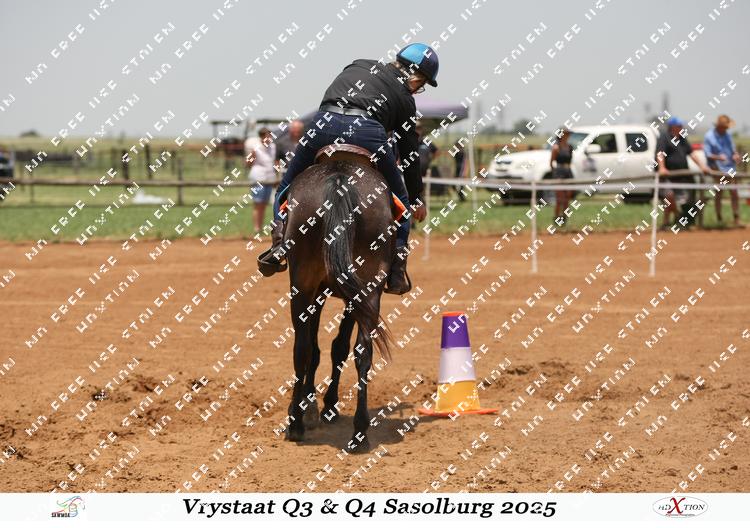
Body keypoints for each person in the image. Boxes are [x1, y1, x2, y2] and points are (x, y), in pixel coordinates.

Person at [257, 43, 438, 295]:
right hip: (367, 132)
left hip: (323, 125)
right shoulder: (406, 99)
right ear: (417, 78)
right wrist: (416, 198)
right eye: (422, 86)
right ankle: (397, 270)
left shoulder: (358, 64)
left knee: (285, 189)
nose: (418, 90)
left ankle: (279, 244)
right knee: (402, 204)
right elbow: (410, 152)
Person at [655, 117, 710, 230]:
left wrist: (702, 166)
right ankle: (677, 214)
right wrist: (662, 168)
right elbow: (660, 154)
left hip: (682, 176)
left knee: (685, 199)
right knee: (669, 196)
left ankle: (667, 222)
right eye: (679, 126)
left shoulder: (682, 139)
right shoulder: (664, 137)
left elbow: (692, 153)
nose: (681, 128)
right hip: (667, 176)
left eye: (681, 126)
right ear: (672, 127)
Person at [704, 114, 743, 227]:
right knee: (719, 193)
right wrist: (718, 157)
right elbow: (707, 154)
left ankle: (736, 218)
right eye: (725, 127)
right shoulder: (709, 136)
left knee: (734, 193)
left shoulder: (728, 135)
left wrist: (735, 155)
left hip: (730, 169)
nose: (726, 129)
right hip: (717, 169)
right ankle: (719, 219)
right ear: (719, 126)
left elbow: (733, 150)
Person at [245, 127, 278, 236]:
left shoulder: (273, 147)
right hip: (258, 178)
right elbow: (247, 164)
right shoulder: (255, 147)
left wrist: (277, 174)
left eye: (270, 136)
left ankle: (260, 228)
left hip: (269, 178)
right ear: (261, 137)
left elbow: (275, 162)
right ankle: (256, 228)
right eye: (267, 136)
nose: (269, 139)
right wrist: (251, 156)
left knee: (264, 205)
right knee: (258, 204)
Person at [550, 128, 575, 227]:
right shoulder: (556, 147)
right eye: (566, 134)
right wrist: (555, 174)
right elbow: (551, 162)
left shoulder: (570, 147)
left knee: (567, 199)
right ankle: (557, 219)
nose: (568, 136)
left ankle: (564, 220)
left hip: (568, 172)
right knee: (559, 198)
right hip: (559, 173)